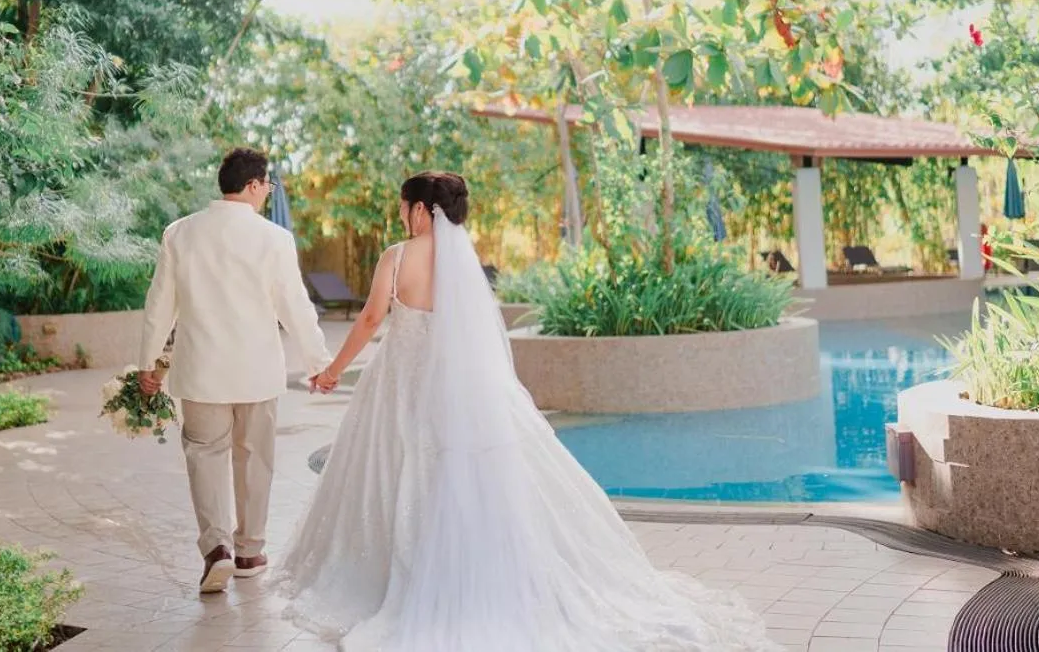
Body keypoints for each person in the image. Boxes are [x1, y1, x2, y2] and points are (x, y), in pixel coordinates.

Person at [279, 171, 777, 652]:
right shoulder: (463, 262)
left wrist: (332, 370)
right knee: (464, 471)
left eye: (405, 207)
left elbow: (370, 318)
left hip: (402, 381)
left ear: (424, 212)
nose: (402, 216)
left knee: (397, 468)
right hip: (461, 384)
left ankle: (395, 570)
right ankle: (470, 565)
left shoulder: (398, 255)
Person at [138, 147, 331, 595]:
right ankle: (249, 552)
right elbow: (296, 308)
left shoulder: (179, 233)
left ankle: (216, 550)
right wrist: (319, 363)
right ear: (252, 185)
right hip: (256, 372)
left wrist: (147, 366)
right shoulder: (274, 239)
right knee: (254, 460)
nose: (268, 192)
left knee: (204, 457)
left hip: (201, 371)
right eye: (267, 185)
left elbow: (158, 306)